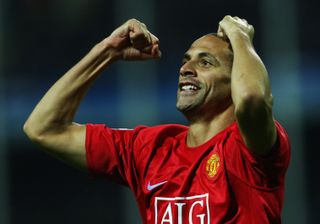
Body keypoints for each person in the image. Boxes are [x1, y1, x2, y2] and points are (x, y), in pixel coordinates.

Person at [23, 15, 290, 223]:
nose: (186, 69)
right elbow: (43, 128)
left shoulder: (249, 149)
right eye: (186, 61)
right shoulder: (150, 149)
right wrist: (107, 51)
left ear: (234, 81)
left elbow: (253, 100)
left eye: (205, 63)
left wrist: (240, 36)